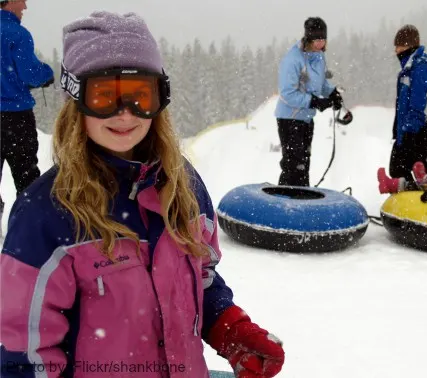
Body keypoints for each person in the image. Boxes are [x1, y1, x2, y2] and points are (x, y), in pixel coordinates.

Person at [0, 11, 284, 378]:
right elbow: (24, 352)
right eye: (104, 95)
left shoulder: (184, 186)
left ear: (159, 98)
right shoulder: (46, 214)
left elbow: (200, 278)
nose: (124, 113)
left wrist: (231, 330)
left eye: (139, 95)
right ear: (76, 100)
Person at [0, 0, 54, 237]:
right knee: (27, 179)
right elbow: (30, 73)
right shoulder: (17, 34)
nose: (25, 6)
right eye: (21, 0)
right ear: (8, 2)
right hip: (15, 119)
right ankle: (28, 237)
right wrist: (48, 74)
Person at [274, 16, 344, 186]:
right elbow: (286, 94)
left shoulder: (319, 57)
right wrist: (313, 102)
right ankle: (286, 201)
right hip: (289, 119)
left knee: (304, 164)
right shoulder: (293, 60)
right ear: (308, 39)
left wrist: (332, 92)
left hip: (306, 119)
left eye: (323, 39)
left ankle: (301, 198)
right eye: (317, 40)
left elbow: (320, 82)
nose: (321, 44)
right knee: (293, 165)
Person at [389, 24, 427, 183]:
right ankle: (407, 201)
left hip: (420, 133)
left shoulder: (420, 69)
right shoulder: (409, 69)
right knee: (400, 169)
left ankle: (425, 199)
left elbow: (420, 103)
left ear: (408, 46)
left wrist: (410, 131)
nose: (396, 51)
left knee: (416, 171)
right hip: (409, 130)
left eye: (399, 46)